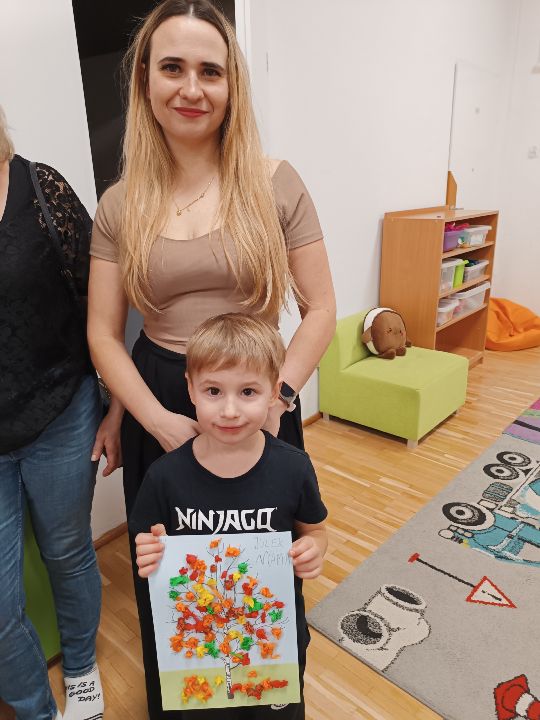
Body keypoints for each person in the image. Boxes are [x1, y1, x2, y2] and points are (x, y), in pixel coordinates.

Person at [87, 0, 335, 716]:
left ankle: (268, 699)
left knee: (263, 575)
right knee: (173, 580)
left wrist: (278, 399)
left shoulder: (275, 181)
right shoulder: (120, 204)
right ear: (145, 79)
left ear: (233, 85)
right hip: (160, 397)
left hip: (259, 395)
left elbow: (321, 308)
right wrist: (156, 421)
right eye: (172, 68)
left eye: (210, 71)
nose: (191, 88)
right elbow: (103, 333)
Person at [130, 313, 328, 719]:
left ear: (274, 391)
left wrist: (314, 549)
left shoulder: (293, 468)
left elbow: (315, 530)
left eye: (248, 391)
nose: (230, 410)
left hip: (272, 644)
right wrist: (148, 554)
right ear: (191, 389)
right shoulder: (164, 477)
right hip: (199, 653)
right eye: (214, 391)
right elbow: (145, 547)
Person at [0, 107, 122, 720]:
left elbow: (104, 300)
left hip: (61, 412)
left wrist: (117, 405)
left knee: (68, 553)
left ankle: (80, 672)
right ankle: (34, 709)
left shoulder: (40, 187)